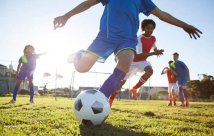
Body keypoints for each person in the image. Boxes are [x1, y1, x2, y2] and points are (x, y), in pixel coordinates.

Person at [53, 0, 202, 104]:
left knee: (124, 66)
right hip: (105, 37)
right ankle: (79, 55)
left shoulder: (143, 0)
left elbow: (161, 14)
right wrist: (67, 15)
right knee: (82, 68)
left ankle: (100, 98)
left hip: (127, 40)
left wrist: (184, 25)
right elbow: (89, 3)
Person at [109, 19, 164, 106]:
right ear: (144, 28)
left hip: (142, 61)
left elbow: (154, 46)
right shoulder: (139, 39)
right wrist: (154, 53)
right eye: (148, 28)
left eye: (152, 28)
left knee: (150, 71)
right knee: (122, 82)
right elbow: (139, 55)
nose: (150, 30)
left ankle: (134, 88)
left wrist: (157, 50)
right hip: (133, 61)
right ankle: (110, 100)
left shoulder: (153, 38)